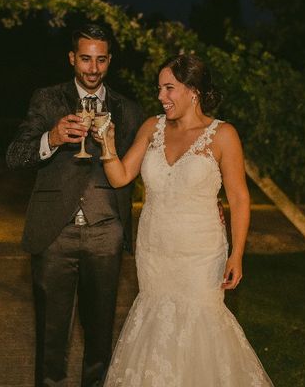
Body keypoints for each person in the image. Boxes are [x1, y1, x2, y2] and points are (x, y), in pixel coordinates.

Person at [96, 54, 273, 386]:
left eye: (169, 88)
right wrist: (107, 145)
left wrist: (237, 254)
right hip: (154, 252)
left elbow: (239, 198)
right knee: (156, 323)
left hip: (201, 254)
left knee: (200, 324)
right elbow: (120, 177)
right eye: (159, 89)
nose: (161, 97)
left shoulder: (223, 135)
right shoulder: (152, 127)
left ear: (193, 91)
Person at [6, 24, 144, 386]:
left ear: (109, 61)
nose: (93, 69)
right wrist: (51, 137)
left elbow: (146, 169)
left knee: (100, 338)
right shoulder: (48, 100)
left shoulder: (129, 111)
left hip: (106, 234)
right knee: (51, 339)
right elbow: (15, 156)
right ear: (72, 58)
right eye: (85, 59)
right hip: (55, 234)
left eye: (101, 60)